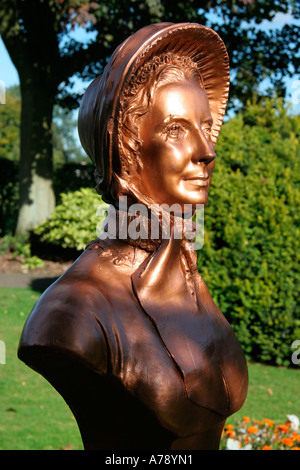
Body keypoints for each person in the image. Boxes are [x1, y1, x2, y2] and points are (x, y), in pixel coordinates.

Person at [18, 22, 248, 450]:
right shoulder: (73, 313)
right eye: (176, 129)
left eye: (205, 125)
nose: (207, 149)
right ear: (126, 149)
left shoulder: (189, 278)